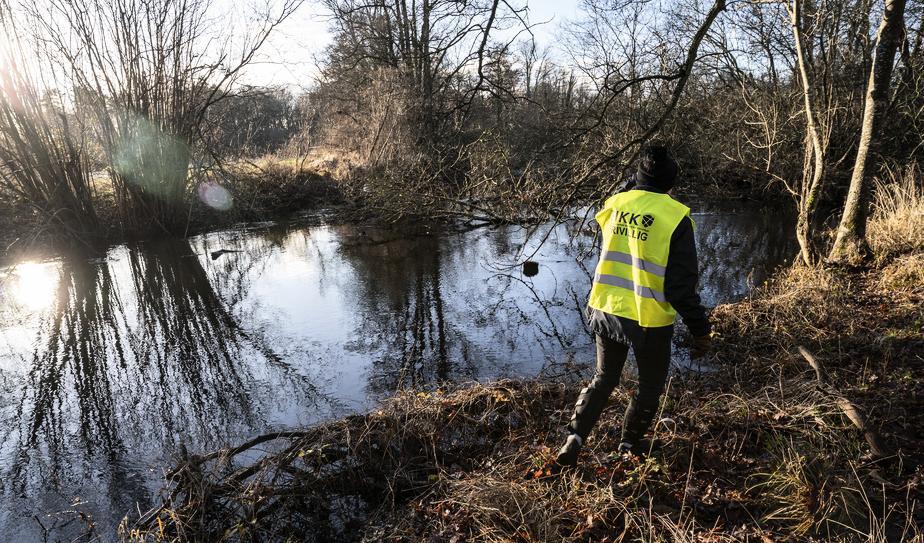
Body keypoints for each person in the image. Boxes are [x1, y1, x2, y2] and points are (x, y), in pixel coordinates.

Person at [556, 145, 711, 467]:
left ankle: (574, 437)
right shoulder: (675, 217)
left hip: (606, 306)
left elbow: (627, 194)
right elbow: (680, 288)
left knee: (604, 379)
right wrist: (700, 329)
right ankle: (630, 445)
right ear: (672, 182)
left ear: (638, 178)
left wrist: (637, 180)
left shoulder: (615, 204)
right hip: (648, 317)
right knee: (650, 387)